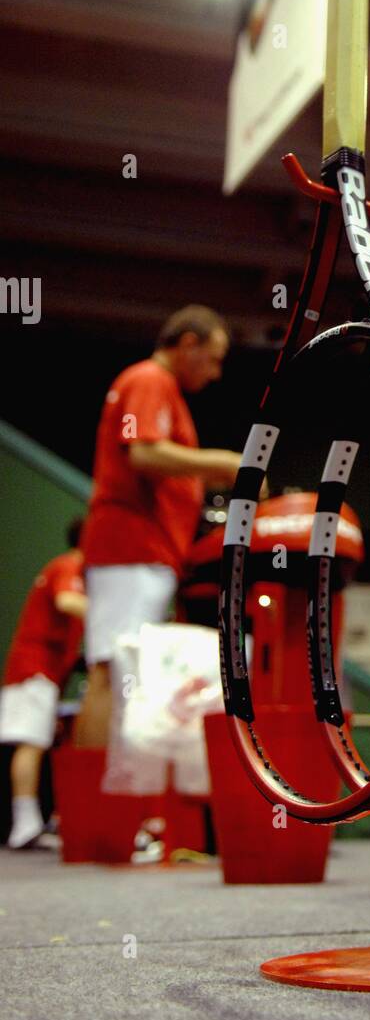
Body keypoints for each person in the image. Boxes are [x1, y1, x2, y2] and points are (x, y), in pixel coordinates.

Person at [77, 305, 244, 747]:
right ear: (188, 344)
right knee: (113, 671)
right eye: (213, 358)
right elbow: (143, 453)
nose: (215, 373)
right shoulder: (150, 380)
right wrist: (223, 464)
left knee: (121, 671)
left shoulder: (160, 388)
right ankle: (93, 806)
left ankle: (109, 801)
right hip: (131, 548)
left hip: (145, 553)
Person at [1, 520, 87, 848]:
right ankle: (25, 824)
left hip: (42, 671)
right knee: (31, 742)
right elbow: (67, 602)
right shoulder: (71, 565)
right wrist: (109, 615)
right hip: (35, 670)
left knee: (37, 742)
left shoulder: (65, 567)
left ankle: (35, 821)